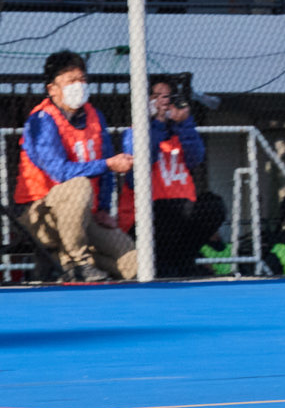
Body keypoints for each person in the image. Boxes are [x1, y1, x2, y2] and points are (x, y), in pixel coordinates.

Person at [14, 50, 137, 282]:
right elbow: (59, 171)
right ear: (52, 89)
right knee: (79, 185)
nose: (78, 86)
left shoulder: (95, 116)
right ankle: (76, 262)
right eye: (71, 81)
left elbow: (107, 168)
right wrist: (108, 164)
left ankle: (74, 260)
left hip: (84, 215)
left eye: (82, 80)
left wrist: (103, 208)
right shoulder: (41, 120)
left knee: (135, 262)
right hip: (40, 212)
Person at [114, 76, 209, 280]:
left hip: (182, 211)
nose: (163, 102)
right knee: (169, 210)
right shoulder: (133, 133)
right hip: (146, 215)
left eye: (167, 97)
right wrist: (157, 123)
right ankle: (166, 267)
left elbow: (196, 158)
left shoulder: (180, 132)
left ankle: (184, 261)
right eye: (157, 96)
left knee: (212, 206)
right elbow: (140, 163)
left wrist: (183, 122)